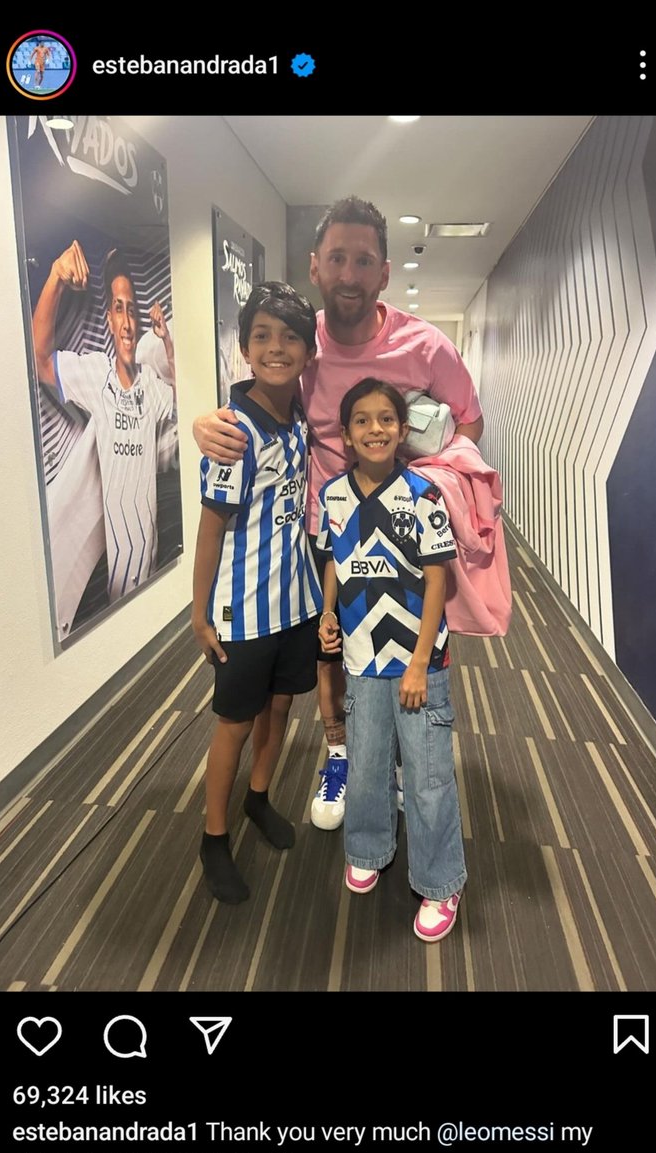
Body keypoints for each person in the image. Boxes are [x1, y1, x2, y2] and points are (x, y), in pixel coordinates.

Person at [193, 196, 484, 832]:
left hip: (406, 543)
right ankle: (341, 754)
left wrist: (426, 480)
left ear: (383, 272)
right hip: (325, 531)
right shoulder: (301, 343)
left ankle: (406, 765)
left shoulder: (426, 345)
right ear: (315, 267)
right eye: (337, 259)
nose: (349, 273)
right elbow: (259, 397)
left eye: (363, 260)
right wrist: (206, 421)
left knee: (409, 653)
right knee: (335, 655)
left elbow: (470, 420)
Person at [317, 379, 467, 941]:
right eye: (361, 420)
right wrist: (328, 613)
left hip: (416, 665)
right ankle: (368, 846)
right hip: (360, 659)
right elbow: (335, 557)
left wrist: (419, 661)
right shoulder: (333, 494)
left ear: (403, 431)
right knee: (369, 764)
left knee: (427, 778)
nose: (374, 429)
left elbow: (436, 579)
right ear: (347, 432)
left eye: (386, 419)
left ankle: (440, 879)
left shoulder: (422, 495)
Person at [193, 282, 323, 904]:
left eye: (290, 336)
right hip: (244, 611)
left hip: (296, 602)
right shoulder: (232, 431)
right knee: (234, 725)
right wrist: (198, 613)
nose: (277, 348)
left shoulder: (298, 420)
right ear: (244, 349)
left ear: (308, 349)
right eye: (263, 336)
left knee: (280, 709)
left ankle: (259, 798)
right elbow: (211, 525)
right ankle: (213, 837)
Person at [33, 241, 176, 610]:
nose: (127, 322)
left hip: (154, 576)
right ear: (109, 320)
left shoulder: (153, 387)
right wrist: (55, 278)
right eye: (118, 310)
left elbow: (187, 394)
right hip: (116, 591)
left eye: (131, 311)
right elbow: (40, 360)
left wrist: (168, 343)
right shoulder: (95, 376)